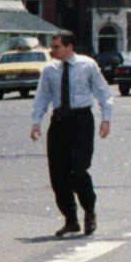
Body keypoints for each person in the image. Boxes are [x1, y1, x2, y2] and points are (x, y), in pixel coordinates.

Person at [30, 30, 113, 238]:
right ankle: (71, 219)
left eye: (57, 47)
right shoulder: (50, 70)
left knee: (79, 169)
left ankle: (89, 211)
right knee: (58, 175)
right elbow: (43, 96)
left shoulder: (87, 65)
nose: (53, 51)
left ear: (69, 47)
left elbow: (103, 92)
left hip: (81, 120)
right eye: (52, 46)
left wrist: (106, 119)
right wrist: (36, 122)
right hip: (59, 122)